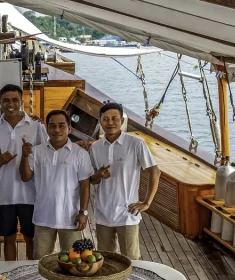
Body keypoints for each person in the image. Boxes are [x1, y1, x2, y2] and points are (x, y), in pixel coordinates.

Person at [88, 102, 160, 260]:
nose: (110, 122)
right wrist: (99, 174)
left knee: (131, 260)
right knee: (106, 259)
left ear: (121, 120)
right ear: (100, 121)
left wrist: (147, 203)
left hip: (128, 213)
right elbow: (92, 180)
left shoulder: (135, 144)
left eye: (114, 118)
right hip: (103, 213)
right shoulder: (95, 147)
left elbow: (154, 171)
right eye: (105, 119)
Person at [19, 109, 93, 258]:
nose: (57, 129)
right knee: (40, 259)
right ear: (47, 128)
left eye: (61, 125)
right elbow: (25, 177)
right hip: (43, 216)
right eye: (52, 126)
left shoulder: (80, 154)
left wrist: (83, 212)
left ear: (69, 128)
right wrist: (25, 156)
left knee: (74, 260)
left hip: (71, 218)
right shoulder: (36, 151)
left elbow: (85, 185)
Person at [0, 83, 47, 260]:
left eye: (15, 100)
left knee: (31, 237)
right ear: (0, 102)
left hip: (32, 194)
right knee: (8, 238)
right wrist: (0, 161)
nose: (10, 104)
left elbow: (45, 157)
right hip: (5, 194)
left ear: (21, 101)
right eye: (6, 100)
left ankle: (31, 273)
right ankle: (10, 276)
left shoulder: (36, 126)